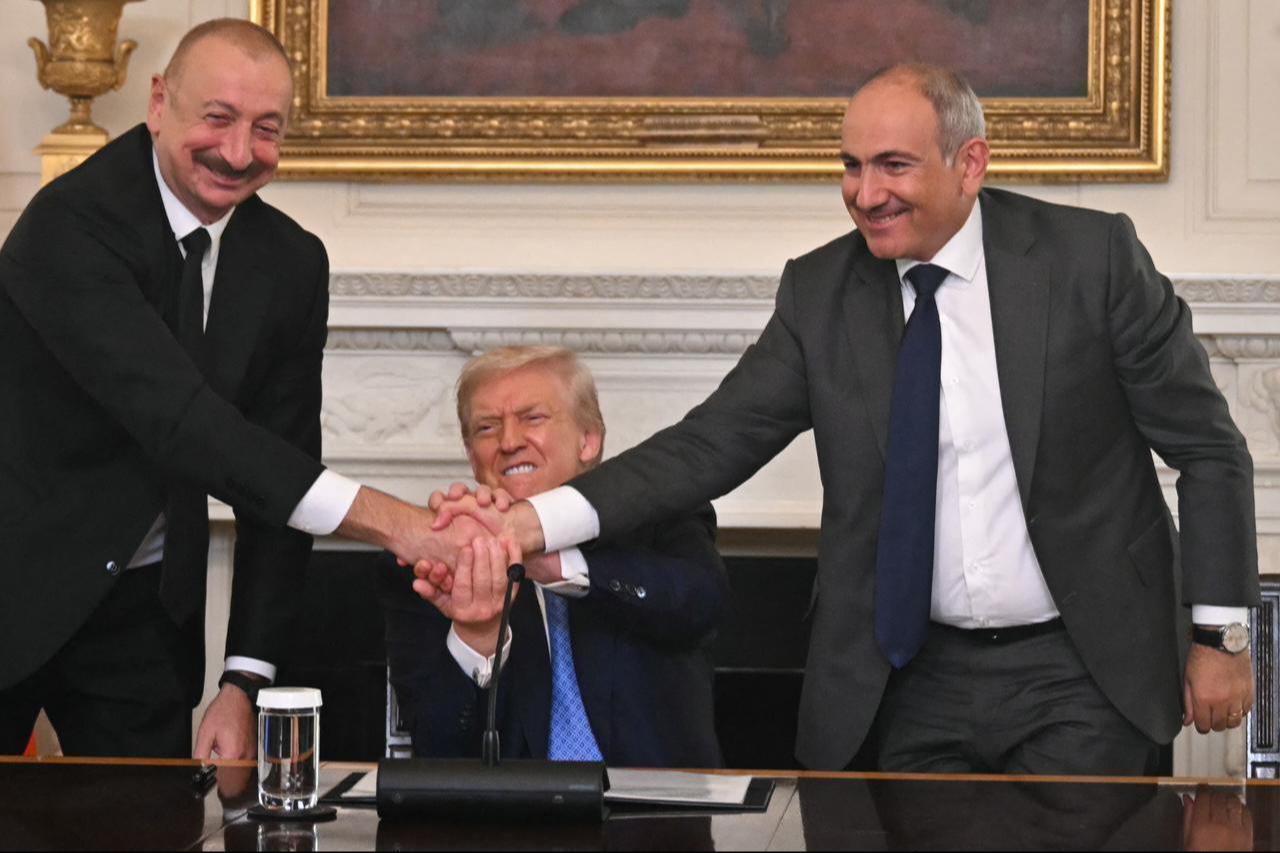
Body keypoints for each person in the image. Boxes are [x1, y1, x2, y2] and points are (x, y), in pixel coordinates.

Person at [428, 64, 1259, 774]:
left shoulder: (1092, 260)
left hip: (1080, 664)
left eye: (893, 166)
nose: (866, 194)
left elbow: (1209, 450)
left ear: (970, 163)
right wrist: (533, 522)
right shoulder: (820, 292)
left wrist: (1219, 636)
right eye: (851, 166)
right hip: (905, 676)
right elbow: (711, 444)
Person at [0, 19, 480, 760]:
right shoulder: (69, 226)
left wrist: (244, 680)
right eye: (216, 118)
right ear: (159, 103)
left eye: (266, 129)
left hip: (144, 613)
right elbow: (185, 424)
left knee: (147, 825)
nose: (236, 152)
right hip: (14, 577)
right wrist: (398, 524)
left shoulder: (290, 262)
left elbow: (277, 469)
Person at [382, 346, 726, 766]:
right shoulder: (436, 562)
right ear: (473, 458)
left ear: (589, 440)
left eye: (533, 418)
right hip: (510, 824)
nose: (508, 442)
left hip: (659, 817)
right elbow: (438, 751)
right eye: (487, 428)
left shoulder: (659, 518)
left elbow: (700, 606)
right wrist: (477, 637)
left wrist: (550, 564)